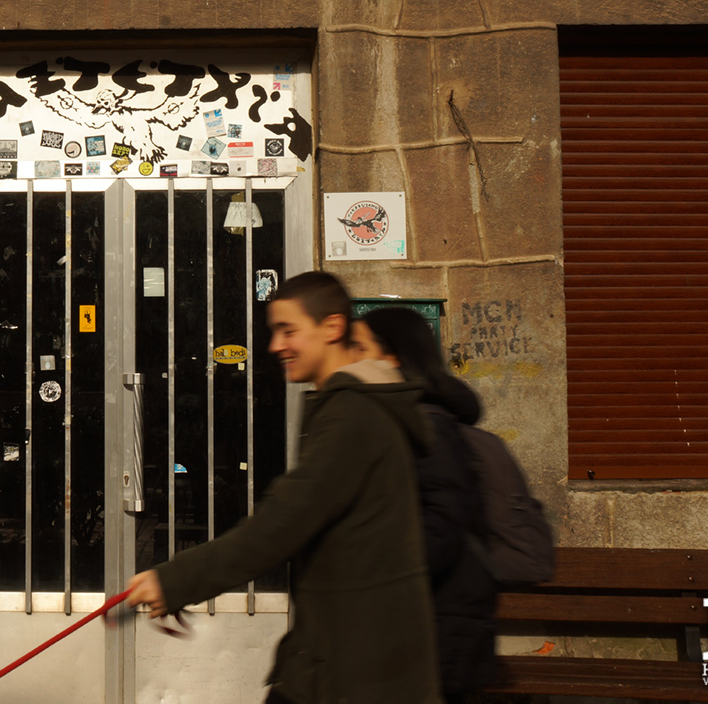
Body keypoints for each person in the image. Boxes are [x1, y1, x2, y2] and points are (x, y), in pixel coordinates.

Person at [126, 271, 441, 704]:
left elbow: (283, 522)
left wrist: (175, 579)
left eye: (288, 330)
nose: (276, 346)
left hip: (361, 670)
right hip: (338, 657)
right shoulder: (347, 406)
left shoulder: (354, 415)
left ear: (331, 328)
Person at [353, 307, 498, 702]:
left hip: (440, 623)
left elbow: (441, 527)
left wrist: (375, 579)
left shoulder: (428, 425)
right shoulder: (410, 420)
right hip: (429, 618)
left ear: (393, 357)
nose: (350, 357)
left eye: (359, 346)